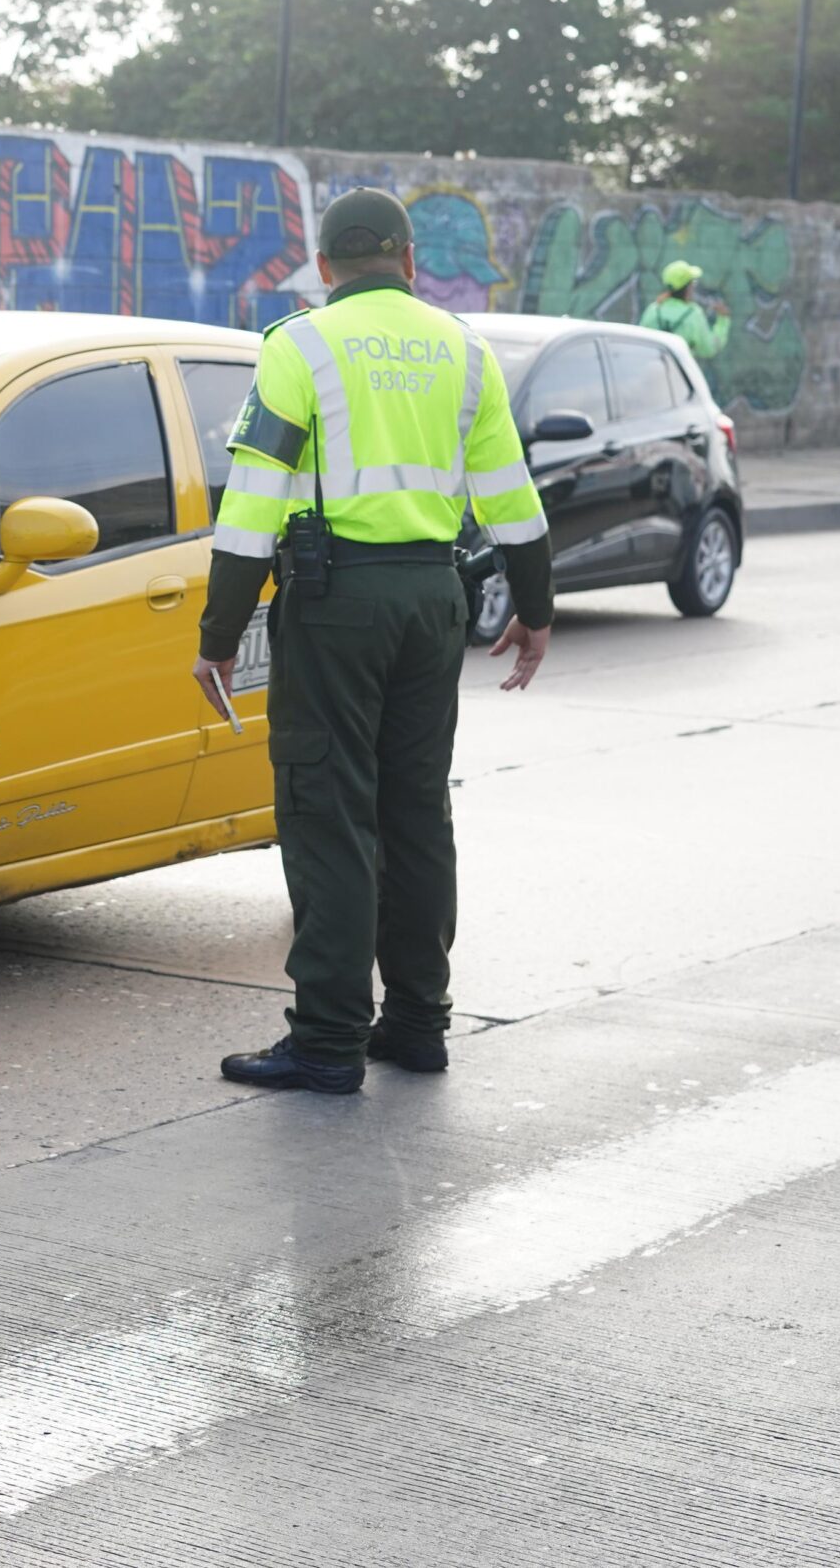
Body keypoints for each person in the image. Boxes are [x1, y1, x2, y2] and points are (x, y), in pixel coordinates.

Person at [192, 188, 556, 1095]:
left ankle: (325, 1040)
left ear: (324, 265)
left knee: (328, 814)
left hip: (335, 603)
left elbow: (250, 508)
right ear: (407, 258)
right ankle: (418, 1024)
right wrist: (537, 610)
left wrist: (219, 633)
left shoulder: (298, 346)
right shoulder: (466, 350)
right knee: (416, 813)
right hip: (434, 599)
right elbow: (514, 497)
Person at [638, 260, 730, 363]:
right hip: (679, 375)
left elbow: (640, 344)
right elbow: (709, 349)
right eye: (693, 283)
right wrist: (722, 321)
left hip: (651, 373)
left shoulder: (653, 310)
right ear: (688, 287)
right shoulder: (693, 314)